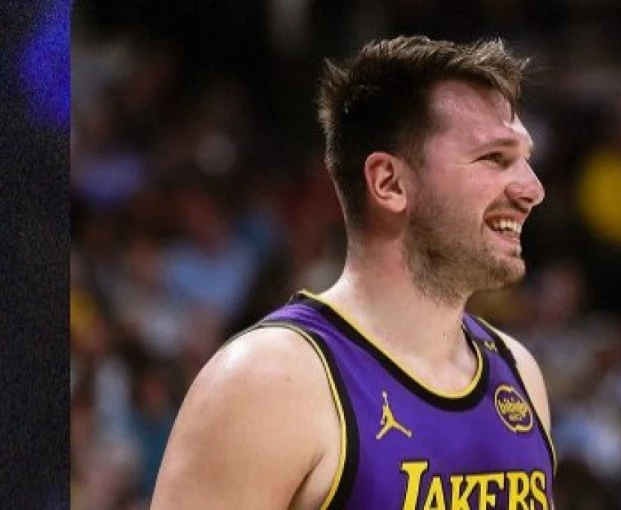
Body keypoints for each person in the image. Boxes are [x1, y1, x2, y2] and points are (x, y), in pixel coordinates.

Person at [152, 35, 555, 509]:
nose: (532, 189)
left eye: (525, 160)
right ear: (389, 182)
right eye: (495, 158)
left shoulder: (518, 371)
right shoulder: (267, 383)